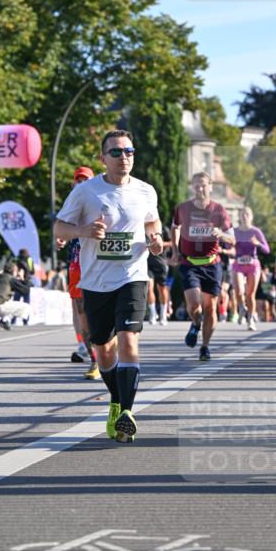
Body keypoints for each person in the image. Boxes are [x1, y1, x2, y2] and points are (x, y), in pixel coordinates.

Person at [53, 130, 162, 443]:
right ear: (103, 158)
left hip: (132, 276)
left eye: (129, 150)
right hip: (96, 282)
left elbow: (153, 226)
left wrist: (155, 242)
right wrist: (85, 230)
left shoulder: (146, 191)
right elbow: (60, 227)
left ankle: (126, 411)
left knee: (128, 339)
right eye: (116, 152)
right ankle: (116, 401)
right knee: (103, 351)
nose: (124, 156)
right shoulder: (86, 192)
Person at [170, 171, 235, 361]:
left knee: (210, 308)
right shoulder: (183, 208)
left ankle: (205, 347)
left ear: (211, 187)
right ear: (192, 187)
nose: (200, 189)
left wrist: (220, 235)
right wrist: (175, 249)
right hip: (189, 263)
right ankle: (195, 323)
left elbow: (233, 240)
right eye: (196, 185)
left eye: (203, 185)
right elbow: (175, 227)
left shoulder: (219, 210)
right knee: (195, 305)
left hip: (212, 264)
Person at [58, 166, 101, 380]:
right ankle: (94, 360)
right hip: (77, 263)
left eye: (87, 180)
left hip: (100, 263)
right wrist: (61, 238)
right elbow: (62, 228)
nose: (82, 183)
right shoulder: (71, 203)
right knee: (82, 312)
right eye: (79, 180)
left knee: (102, 312)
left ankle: (108, 352)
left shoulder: (102, 200)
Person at [231, 206, 270, 331]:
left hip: (253, 264)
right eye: (242, 214)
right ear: (239, 217)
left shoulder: (256, 231)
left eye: (247, 214)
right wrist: (231, 243)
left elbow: (267, 250)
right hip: (238, 263)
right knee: (238, 292)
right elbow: (226, 245)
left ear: (251, 217)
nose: (244, 216)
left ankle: (251, 319)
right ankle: (242, 308)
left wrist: (257, 244)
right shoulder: (234, 231)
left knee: (250, 294)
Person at [0, 259, 30, 328]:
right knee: (26, 306)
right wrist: (22, 277)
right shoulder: (10, 279)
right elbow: (25, 291)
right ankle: (4, 321)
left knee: (3, 299)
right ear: (13, 271)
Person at [146, 225, 171, 326]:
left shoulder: (163, 228)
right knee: (149, 288)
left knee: (162, 289)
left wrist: (158, 243)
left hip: (160, 262)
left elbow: (171, 242)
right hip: (147, 263)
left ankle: (163, 314)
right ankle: (153, 314)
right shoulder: (141, 226)